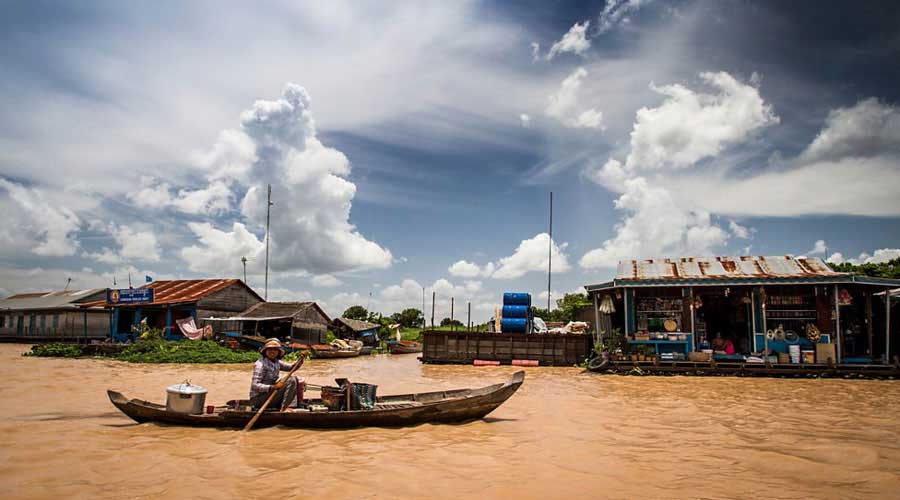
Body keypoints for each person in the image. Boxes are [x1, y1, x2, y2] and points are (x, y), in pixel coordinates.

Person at [249, 338, 305, 412]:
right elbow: (255, 385)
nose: (272, 352)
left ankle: (287, 406)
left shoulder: (276, 362)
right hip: (258, 399)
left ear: (278, 352)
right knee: (291, 380)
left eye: (275, 350)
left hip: (270, 394)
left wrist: (300, 360)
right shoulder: (260, 364)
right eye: (270, 349)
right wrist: (273, 387)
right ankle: (284, 409)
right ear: (265, 351)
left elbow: (291, 368)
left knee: (292, 379)